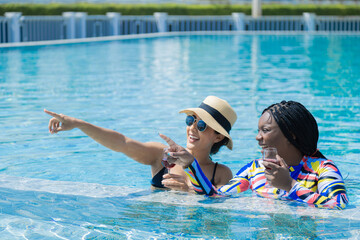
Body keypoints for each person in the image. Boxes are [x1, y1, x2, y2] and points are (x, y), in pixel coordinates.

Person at [160, 100, 349, 209]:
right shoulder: (254, 170)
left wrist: (290, 185)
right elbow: (215, 196)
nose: (258, 138)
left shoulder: (322, 169)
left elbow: (339, 206)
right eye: (259, 130)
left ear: (290, 135)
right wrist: (190, 163)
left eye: (265, 130)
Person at [44, 95, 237, 192]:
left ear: (218, 137)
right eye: (190, 120)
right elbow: (122, 142)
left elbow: (220, 214)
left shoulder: (220, 174)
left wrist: (190, 191)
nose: (192, 128)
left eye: (201, 125)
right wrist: (78, 124)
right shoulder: (162, 156)